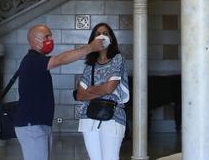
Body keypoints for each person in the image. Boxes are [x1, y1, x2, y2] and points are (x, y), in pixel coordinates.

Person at [14, 24, 105, 160]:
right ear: (35, 41)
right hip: (32, 125)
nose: (50, 39)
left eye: (51, 35)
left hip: (38, 124)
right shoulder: (32, 60)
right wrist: (90, 47)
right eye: (46, 37)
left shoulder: (36, 61)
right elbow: (61, 60)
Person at [74, 23, 128, 160]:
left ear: (112, 38)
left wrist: (91, 90)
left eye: (105, 33)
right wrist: (102, 90)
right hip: (88, 118)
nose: (102, 36)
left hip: (113, 117)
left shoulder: (118, 59)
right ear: (93, 40)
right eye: (97, 34)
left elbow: (110, 88)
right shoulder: (89, 65)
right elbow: (80, 95)